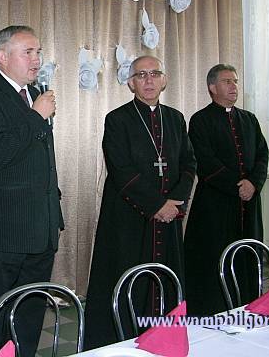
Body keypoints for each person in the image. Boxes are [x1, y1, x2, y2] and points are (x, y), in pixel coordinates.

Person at [0, 25, 63, 357]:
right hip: (2, 231)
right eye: (28, 52)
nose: (37, 60)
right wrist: (36, 117)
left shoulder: (35, 94)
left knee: (28, 317)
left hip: (40, 228)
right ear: (3, 56)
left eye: (38, 52)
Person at [83, 55, 196, 350]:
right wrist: (157, 205)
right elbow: (121, 170)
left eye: (154, 74)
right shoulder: (117, 119)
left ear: (164, 80)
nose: (149, 80)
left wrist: (175, 201)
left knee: (166, 279)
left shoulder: (175, 118)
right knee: (127, 278)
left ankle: (165, 337)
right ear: (131, 83)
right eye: (141, 75)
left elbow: (189, 163)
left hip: (169, 214)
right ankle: (123, 341)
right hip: (128, 217)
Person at [184, 64, 268, 316]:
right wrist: (237, 186)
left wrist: (253, 183)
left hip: (248, 201)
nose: (234, 86)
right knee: (214, 257)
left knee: (247, 254)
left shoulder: (249, 119)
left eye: (235, 81)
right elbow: (204, 161)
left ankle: (249, 304)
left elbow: (262, 155)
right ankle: (212, 311)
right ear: (212, 87)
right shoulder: (200, 120)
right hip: (215, 203)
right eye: (227, 81)